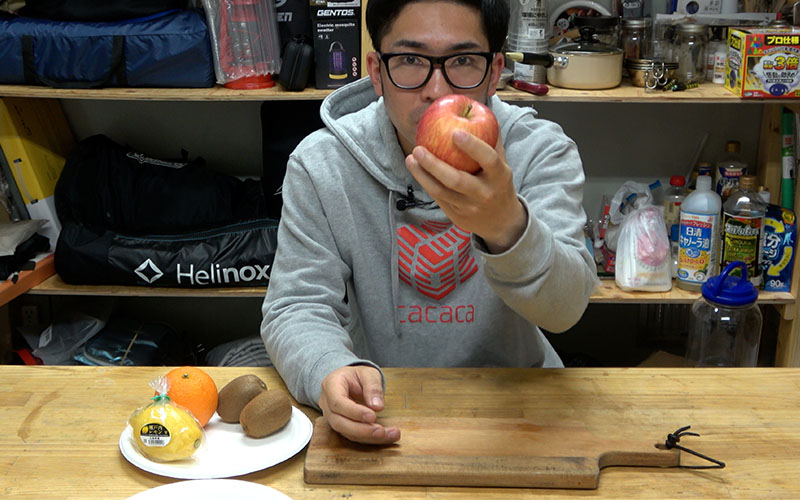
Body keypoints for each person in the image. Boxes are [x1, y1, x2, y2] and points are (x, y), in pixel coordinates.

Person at [261, 0, 599, 445]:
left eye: (463, 61)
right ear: (376, 72)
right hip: (383, 402)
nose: (436, 91)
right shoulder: (322, 164)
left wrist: (507, 226)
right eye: (410, 59)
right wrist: (329, 367)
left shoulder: (540, 151)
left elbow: (566, 310)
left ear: (495, 72)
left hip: (518, 407)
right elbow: (296, 304)